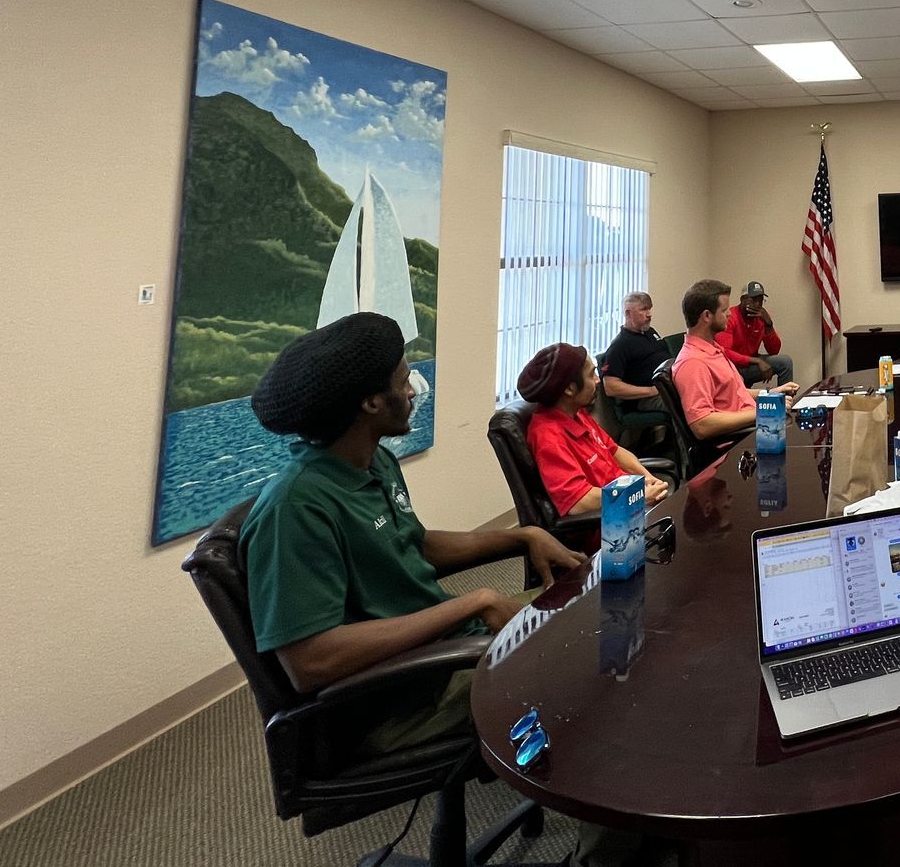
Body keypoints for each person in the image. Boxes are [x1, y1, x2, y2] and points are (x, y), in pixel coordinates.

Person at [239, 312, 585, 757]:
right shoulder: (294, 508)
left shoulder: (374, 462)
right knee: (590, 669)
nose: (413, 388)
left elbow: (410, 545)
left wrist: (523, 536)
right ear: (371, 403)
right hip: (404, 698)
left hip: (451, 644)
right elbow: (310, 661)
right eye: (403, 379)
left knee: (589, 610)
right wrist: (474, 601)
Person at [518, 343, 670, 526]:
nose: (598, 380)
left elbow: (614, 451)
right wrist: (639, 496)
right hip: (609, 530)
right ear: (570, 389)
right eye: (591, 374)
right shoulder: (548, 437)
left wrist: (648, 480)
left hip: (628, 507)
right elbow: (580, 502)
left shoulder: (577, 413)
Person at [673, 277, 798, 440]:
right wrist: (764, 410)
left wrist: (770, 393)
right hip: (740, 439)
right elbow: (701, 425)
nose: (729, 313)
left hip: (754, 424)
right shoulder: (693, 363)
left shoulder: (712, 349)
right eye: (724, 311)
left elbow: (735, 394)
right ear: (706, 316)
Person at [596, 290, 671, 451]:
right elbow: (611, 387)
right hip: (644, 398)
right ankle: (691, 464)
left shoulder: (650, 332)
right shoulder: (620, 345)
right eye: (643, 309)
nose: (649, 314)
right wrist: (651, 391)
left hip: (666, 387)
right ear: (628, 313)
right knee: (683, 404)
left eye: (650, 308)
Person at [716, 279, 795, 387]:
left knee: (785, 361)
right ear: (742, 300)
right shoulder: (730, 317)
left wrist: (769, 325)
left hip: (750, 363)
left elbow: (774, 350)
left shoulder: (760, 317)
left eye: (761, 300)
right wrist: (756, 360)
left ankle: (785, 401)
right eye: (753, 300)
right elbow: (725, 353)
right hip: (733, 366)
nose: (757, 304)